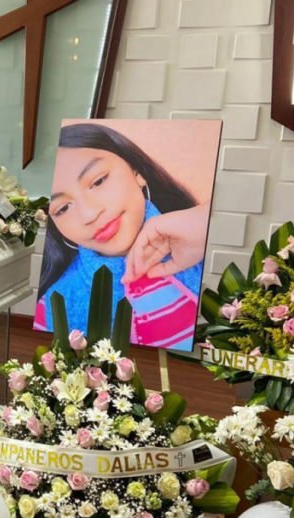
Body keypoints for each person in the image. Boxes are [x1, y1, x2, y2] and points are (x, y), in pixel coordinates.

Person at [34, 123, 207, 351]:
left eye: (98, 181)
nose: (90, 214)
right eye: (63, 208)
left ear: (137, 172)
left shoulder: (204, 235)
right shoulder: (51, 308)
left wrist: (204, 222)